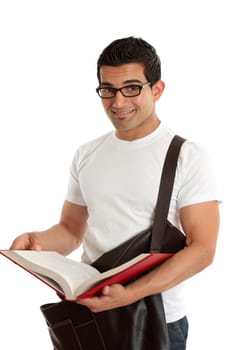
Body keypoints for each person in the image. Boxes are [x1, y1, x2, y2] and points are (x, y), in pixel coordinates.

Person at [10, 36, 220, 349]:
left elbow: (202, 249)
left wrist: (131, 294)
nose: (118, 102)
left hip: (157, 320)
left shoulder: (186, 155)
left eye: (132, 88)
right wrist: (38, 241)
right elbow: (71, 230)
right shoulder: (87, 153)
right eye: (108, 90)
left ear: (157, 89)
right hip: (90, 315)